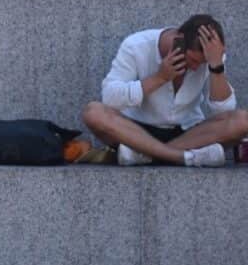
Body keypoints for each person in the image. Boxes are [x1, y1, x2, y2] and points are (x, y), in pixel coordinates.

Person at [83, 14, 248, 167]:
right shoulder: (136, 45)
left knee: (243, 121)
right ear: (179, 40)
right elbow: (110, 98)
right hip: (135, 132)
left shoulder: (212, 58)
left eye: (202, 63)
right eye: (193, 60)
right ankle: (184, 157)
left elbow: (222, 113)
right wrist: (159, 78)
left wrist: (216, 67)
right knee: (94, 112)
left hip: (188, 133)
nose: (196, 67)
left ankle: (146, 155)